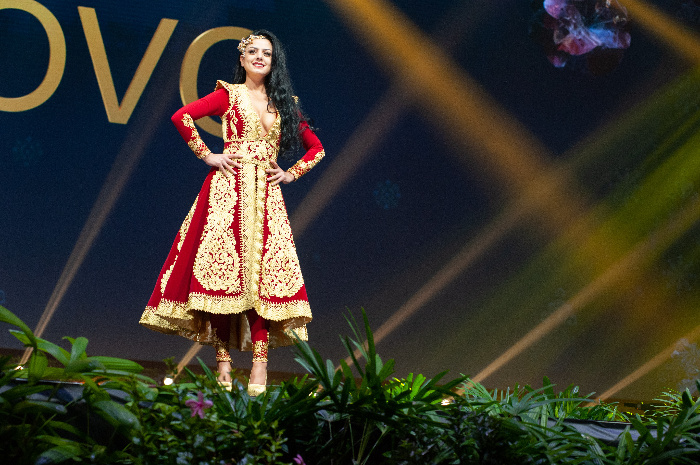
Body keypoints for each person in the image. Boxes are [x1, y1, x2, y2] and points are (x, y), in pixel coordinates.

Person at [140, 30, 324, 396]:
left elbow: (316, 149)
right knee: (223, 276)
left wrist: (290, 173)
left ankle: (260, 364)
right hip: (228, 193)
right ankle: (223, 361)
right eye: (252, 52)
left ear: (274, 62)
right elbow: (182, 117)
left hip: (268, 199)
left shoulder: (284, 103)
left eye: (266, 53)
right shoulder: (229, 94)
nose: (259, 57)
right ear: (241, 60)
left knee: (263, 282)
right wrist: (207, 154)